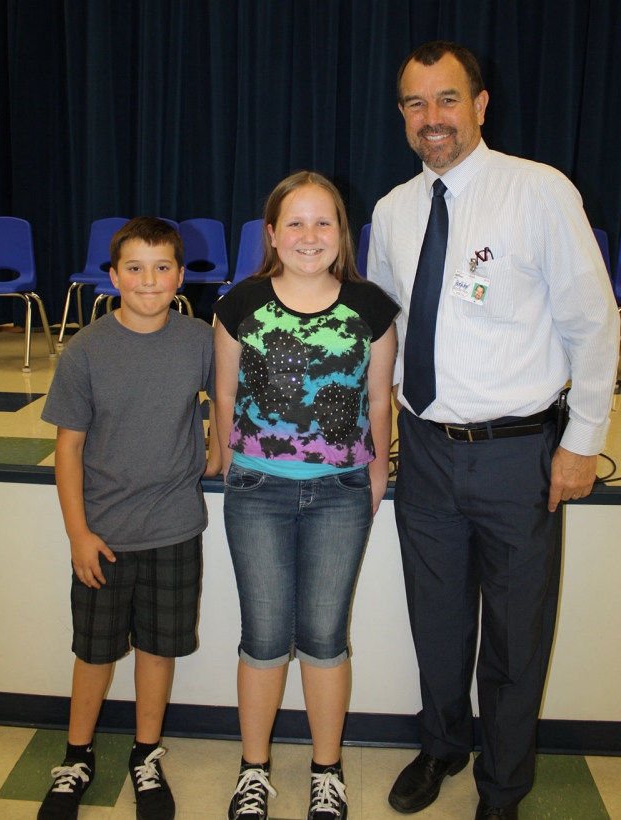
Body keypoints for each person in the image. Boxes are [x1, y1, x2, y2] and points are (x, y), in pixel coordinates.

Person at [367, 41, 618, 820]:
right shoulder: (393, 210)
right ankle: (442, 744)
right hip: (429, 454)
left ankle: (503, 786)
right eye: (415, 103)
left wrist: (581, 442)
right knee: (435, 623)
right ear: (402, 115)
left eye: (447, 99)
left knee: (515, 637)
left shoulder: (538, 192)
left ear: (480, 105)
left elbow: (594, 321)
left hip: (518, 456)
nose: (431, 118)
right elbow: (383, 330)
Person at [214, 171, 398, 820]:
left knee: (325, 638)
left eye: (324, 222)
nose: (309, 235)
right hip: (257, 494)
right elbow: (227, 395)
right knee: (263, 638)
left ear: (342, 234)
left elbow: (380, 399)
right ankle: (254, 769)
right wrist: (229, 463)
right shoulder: (241, 303)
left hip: (340, 494)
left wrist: (374, 474)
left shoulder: (370, 307)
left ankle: (327, 769)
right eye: (294, 222)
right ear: (271, 234)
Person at [39, 217, 219, 820]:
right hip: (104, 536)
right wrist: (78, 534)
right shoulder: (86, 350)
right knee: (93, 652)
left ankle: (146, 754)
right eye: (135, 269)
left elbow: (227, 395)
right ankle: (77, 755)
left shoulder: (198, 338)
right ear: (112, 277)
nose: (149, 280)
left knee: (158, 648)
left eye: (162, 267)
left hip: (174, 529)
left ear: (181, 275)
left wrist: (218, 444)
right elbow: (68, 448)